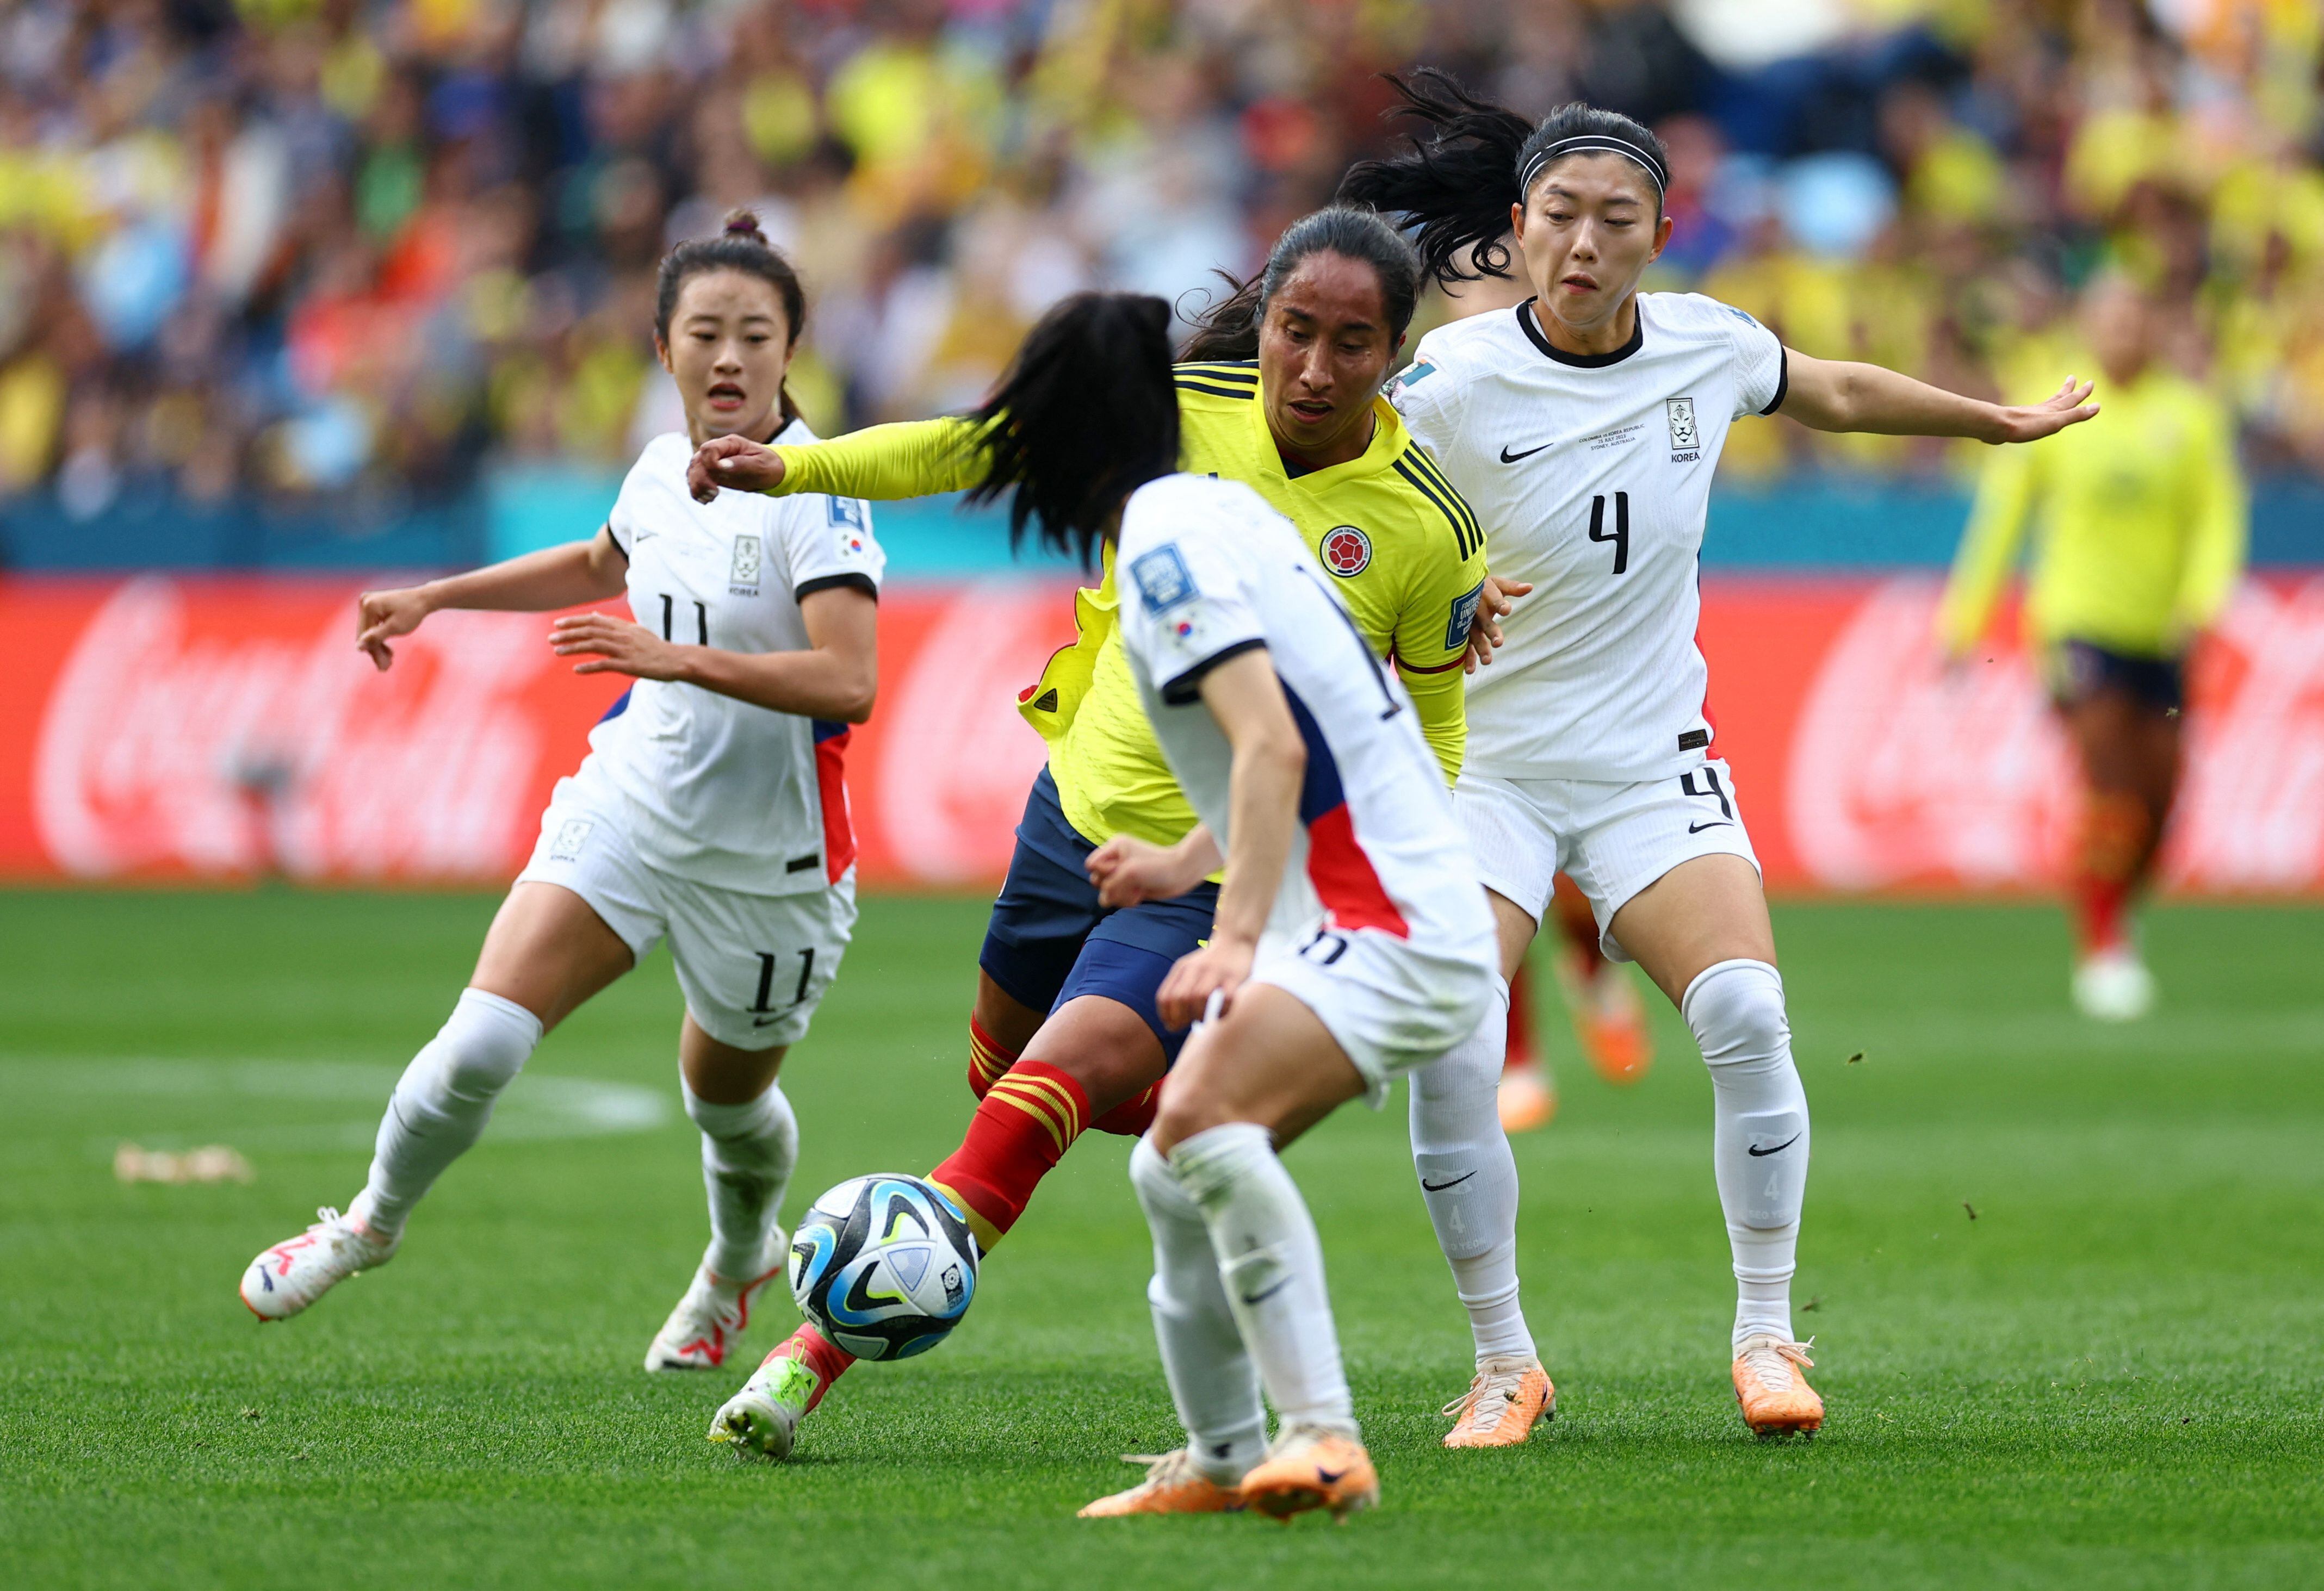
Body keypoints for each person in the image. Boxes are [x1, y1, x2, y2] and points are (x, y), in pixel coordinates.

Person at [692, 208, 1550, 1461]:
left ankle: (813, 1350)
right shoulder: (1178, 433)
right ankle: (1215, 1139)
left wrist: (1255, 894)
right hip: (1074, 821)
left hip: (1207, 881)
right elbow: (967, 446)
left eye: (1350, 344)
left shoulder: (1417, 529)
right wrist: (798, 467)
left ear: (1394, 353)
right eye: (1294, 333)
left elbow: (1412, 733)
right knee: (1020, 1088)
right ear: (1260, 326)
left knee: (1052, 1094)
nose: (1313, 368)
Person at [1340, 72, 2098, 1433]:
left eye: (1615, 218)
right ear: (1516, 226)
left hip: (1646, 767)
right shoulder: (1447, 379)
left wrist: (1988, 421)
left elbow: (1838, 389)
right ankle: (1505, 1362)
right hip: (1481, 772)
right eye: (1559, 214)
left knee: (1746, 1012)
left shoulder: (1708, 346)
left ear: (1659, 235)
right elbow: (1342, 500)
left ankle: (1767, 1339)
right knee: (1453, 1040)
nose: (1583, 242)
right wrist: (1439, 595)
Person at [237, 214, 884, 1377]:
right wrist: (437, 594)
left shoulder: (820, 498)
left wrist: (683, 659)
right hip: (634, 801)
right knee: (483, 1032)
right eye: (706, 334)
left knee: (725, 1105)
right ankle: (369, 1221)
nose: (729, 357)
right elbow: (602, 563)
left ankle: (738, 1260)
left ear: (794, 352)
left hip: (773, 859)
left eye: (755, 334)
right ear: (662, 347)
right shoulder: (654, 465)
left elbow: (850, 678)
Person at [963, 290, 1497, 1518]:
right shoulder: (1214, 512)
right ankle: (1216, 1456)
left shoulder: (1162, 545)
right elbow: (1306, 716)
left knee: (1197, 1124)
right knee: (1171, 1164)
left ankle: (1318, 1436)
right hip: (1383, 896)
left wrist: (1233, 933)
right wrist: (1177, 860)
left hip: (1385, 918)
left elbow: (1271, 748)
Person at [1938, 274, 2244, 1019]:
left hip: (2160, 631)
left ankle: (2116, 909)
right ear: (2087, 326)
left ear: (2155, 326)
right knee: (2106, 778)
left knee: (2160, 797)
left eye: (2135, 316)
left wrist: (2201, 602)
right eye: (2108, 317)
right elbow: (2000, 521)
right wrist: (1961, 624)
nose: (2122, 330)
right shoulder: (2054, 406)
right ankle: (2100, 943)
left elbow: (2217, 517)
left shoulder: (2191, 415)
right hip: (2076, 626)